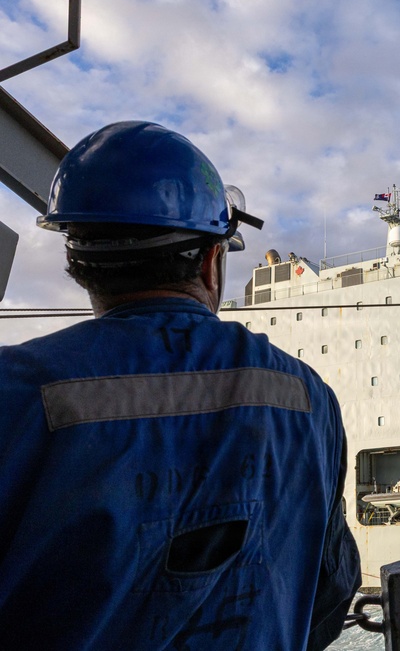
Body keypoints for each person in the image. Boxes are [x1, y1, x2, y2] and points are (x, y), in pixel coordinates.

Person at [0, 122, 360, 649]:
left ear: (77, 264)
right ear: (212, 262)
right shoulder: (308, 398)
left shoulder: (15, 390)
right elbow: (330, 593)